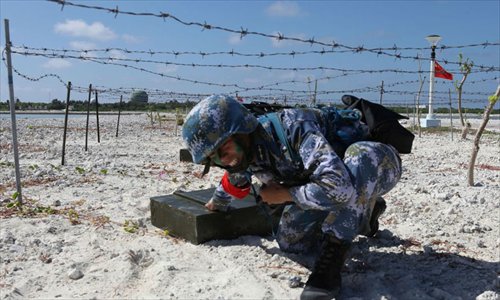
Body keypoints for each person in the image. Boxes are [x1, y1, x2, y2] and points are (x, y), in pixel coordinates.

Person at [182, 94, 402, 299]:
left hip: (377, 165)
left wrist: (285, 195)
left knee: (359, 159)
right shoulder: (244, 152)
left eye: (224, 150)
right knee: (291, 241)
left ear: (241, 131)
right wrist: (218, 203)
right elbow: (235, 177)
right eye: (214, 158)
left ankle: (332, 261)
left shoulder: (294, 128)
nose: (224, 160)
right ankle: (366, 211)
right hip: (326, 185)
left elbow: (340, 188)